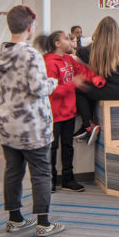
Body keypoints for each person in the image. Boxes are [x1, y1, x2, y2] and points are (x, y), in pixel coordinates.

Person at [0, 5, 64, 237]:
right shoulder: (31, 54)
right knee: (41, 172)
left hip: (5, 124)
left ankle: (15, 219)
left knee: (13, 170)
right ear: (30, 27)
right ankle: (43, 222)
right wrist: (53, 81)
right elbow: (39, 88)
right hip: (31, 125)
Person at [36, 30, 103, 193]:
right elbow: (51, 90)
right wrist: (73, 84)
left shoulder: (68, 59)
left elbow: (83, 71)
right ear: (57, 44)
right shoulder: (49, 62)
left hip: (69, 112)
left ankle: (68, 179)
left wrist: (97, 80)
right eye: (67, 38)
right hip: (53, 114)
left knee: (68, 146)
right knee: (51, 148)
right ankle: (50, 180)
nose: (71, 41)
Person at [74, 16, 119, 145]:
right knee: (93, 87)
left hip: (117, 90)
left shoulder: (96, 48)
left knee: (79, 89)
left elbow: (80, 52)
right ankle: (89, 125)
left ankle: (88, 125)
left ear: (99, 31)